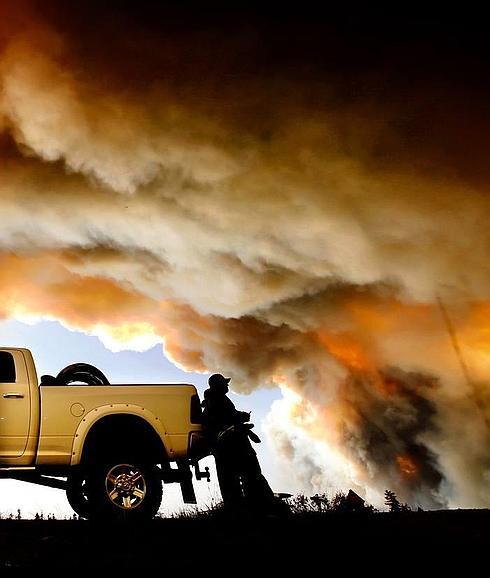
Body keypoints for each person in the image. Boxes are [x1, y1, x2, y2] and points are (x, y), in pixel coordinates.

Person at [201, 373, 279, 514]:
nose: (227, 385)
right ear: (218, 385)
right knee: (251, 475)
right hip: (234, 447)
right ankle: (259, 506)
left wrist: (239, 416)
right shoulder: (217, 401)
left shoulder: (214, 401)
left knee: (231, 481)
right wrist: (241, 417)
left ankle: (238, 509)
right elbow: (225, 420)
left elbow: (227, 417)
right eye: (224, 383)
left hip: (226, 449)